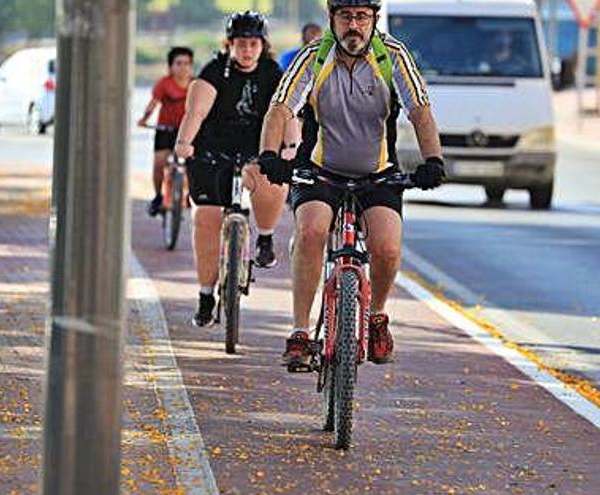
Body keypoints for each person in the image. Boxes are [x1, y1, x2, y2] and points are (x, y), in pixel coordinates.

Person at [258, 0, 446, 366]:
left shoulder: (392, 55)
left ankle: (376, 317)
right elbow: (280, 108)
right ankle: (299, 332)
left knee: (387, 247)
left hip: (378, 174)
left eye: (362, 17)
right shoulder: (314, 56)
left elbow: (420, 110)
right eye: (346, 16)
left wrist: (433, 160)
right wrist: (269, 154)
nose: (354, 25)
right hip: (319, 169)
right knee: (311, 231)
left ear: (375, 19)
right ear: (332, 19)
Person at [174, 11, 297, 327]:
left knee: (273, 180)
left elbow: (287, 115)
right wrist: (184, 143)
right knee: (206, 219)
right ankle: (205, 295)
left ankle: (265, 239)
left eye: (253, 44)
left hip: (255, 147)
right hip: (212, 148)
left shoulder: (273, 74)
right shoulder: (214, 72)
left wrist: (290, 147)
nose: (247, 50)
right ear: (230, 44)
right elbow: (196, 112)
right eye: (241, 44)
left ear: (262, 45)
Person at [137, 47, 194, 216]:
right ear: (170, 67)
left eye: (186, 63)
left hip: (188, 130)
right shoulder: (164, 83)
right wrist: (144, 120)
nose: (183, 67)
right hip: (165, 129)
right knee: (159, 163)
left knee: (194, 165)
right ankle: (157, 196)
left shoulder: (195, 84)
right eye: (178, 63)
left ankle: (192, 195)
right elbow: (153, 104)